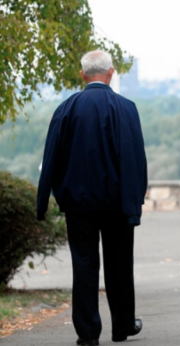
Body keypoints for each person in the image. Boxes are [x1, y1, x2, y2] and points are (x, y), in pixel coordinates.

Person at [37, 51, 147, 346]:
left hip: (78, 204)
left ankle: (88, 334)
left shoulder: (66, 108)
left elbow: (52, 157)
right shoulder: (126, 108)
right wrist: (137, 199)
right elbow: (137, 157)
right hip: (117, 202)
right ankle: (122, 326)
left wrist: (45, 198)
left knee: (84, 265)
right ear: (111, 73)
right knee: (120, 264)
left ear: (82, 74)